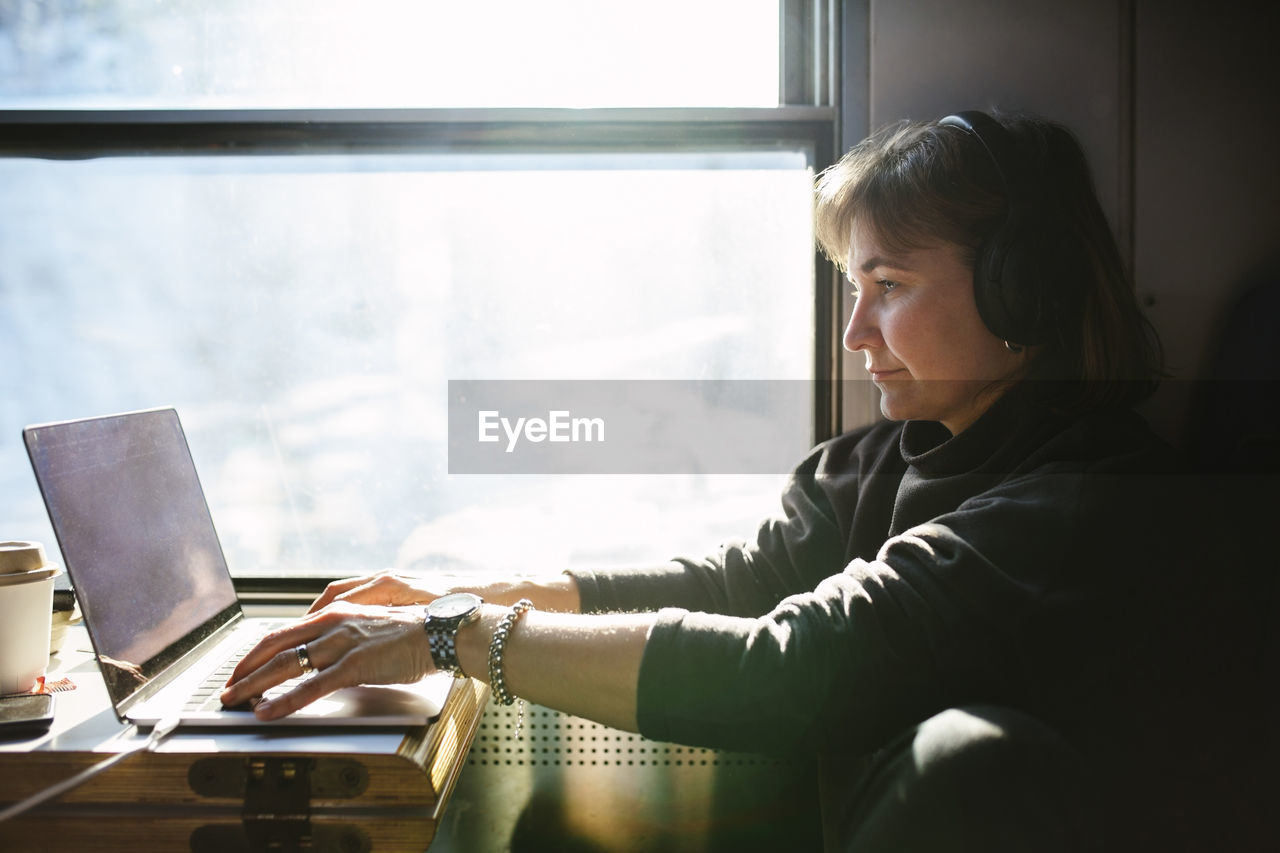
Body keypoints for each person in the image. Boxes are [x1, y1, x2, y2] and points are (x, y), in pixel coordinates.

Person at [220, 110, 1268, 851]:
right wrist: (467, 598)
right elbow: (734, 585)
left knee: (965, 754)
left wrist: (456, 637)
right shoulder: (877, 464)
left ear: (1020, 295)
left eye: (889, 288)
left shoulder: (1090, 507)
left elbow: (795, 662)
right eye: (850, 287)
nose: (854, 332)